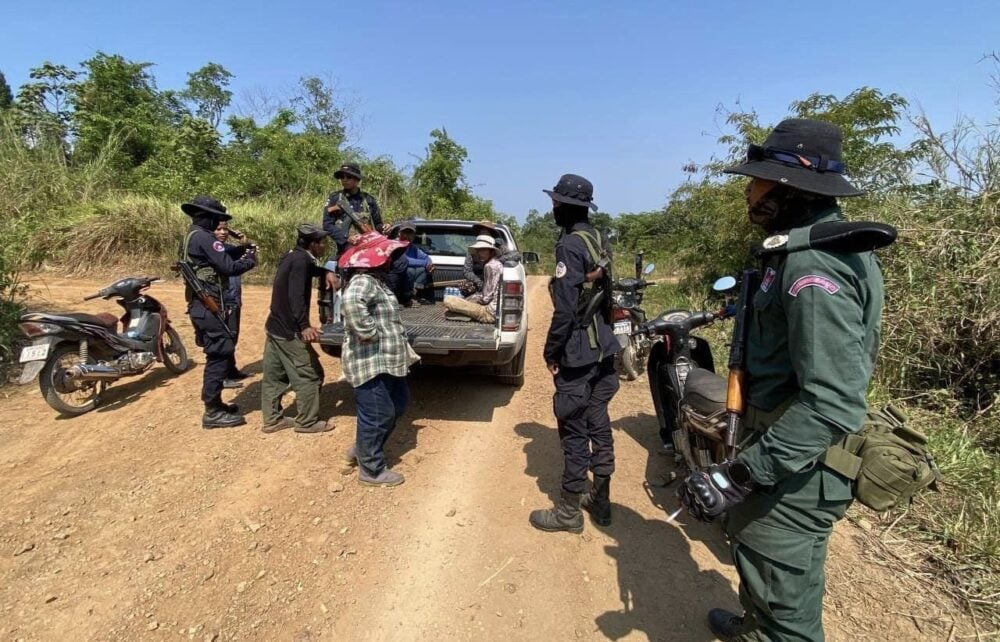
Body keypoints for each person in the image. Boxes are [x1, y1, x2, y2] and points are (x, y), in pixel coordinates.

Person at [677, 119, 882, 641]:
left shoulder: (815, 266)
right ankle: (753, 622)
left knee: (785, 615)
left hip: (795, 468)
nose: (748, 189)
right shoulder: (800, 250)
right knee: (761, 570)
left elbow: (833, 403)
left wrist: (738, 476)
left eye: (758, 180)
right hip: (783, 451)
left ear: (790, 186)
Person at [529, 174, 621, 533]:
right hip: (604, 348)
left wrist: (551, 350)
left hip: (579, 352)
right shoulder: (599, 238)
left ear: (566, 206)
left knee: (573, 429)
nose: (552, 207)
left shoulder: (569, 245)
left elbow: (565, 310)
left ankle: (568, 513)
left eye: (555, 203)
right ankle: (601, 502)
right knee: (599, 422)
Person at [338, 231, 420, 487]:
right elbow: (351, 303)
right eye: (388, 255)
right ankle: (371, 470)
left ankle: (362, 448)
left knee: (398, 404)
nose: (392, 260)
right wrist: (369, 332)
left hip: (388, 360)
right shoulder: (363, 281)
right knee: (377, 413)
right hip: (371, 361)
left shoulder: (377, 281)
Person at [178, 196, 257, 429]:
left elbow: (220, 254)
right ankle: (211, 409)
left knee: (219, 350)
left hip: (200, 305)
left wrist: (240, 248)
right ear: (208, 217)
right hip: (208, 305)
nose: (220, 223)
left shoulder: (192, 236)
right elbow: (228, 267)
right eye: (217, 218)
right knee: (220, 353)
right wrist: (250, 258)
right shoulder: (204, 237)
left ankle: (216, 403)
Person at [260, 224, 340, 434]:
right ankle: (307, 422)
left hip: (275, 326)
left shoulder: (293, 256)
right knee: (310, 374)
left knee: (273, 377)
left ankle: (272, 419)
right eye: (322, 243)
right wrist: (303, 326)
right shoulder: (301, 261)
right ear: (313, 244)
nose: (324, 247)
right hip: (290, 331)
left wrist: (325, 271)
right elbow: (295, 296)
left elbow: (308, 271)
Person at [212, 222, 252, 388]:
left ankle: (231, 370)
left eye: (225, 229)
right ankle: (222, 376)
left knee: (233, 335)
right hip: (224, 300)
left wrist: (240, 237)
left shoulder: (227, 248)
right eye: (218, 229)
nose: (223, 232)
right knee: (225, 338)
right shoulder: (215, 251)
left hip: (234, 299)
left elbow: (246, 248)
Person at [322, 162, 389, 261]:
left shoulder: (369, 200)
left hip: (369, 247)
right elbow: (327, 225)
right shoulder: (335, 198)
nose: (344, 179)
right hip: (345, 248)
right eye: (342, 177)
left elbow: (378, 224)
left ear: (357, 180)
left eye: (348, 177)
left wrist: (385, 228)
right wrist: (346, 238)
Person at [443, 235, 501, 323]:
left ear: (491, 251)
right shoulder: (496, 263)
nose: (480, 253)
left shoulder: (490, 266)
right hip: (495, 310)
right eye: (478, 250)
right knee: (460, 304)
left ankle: (467, 314)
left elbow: (487, 298)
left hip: (489, 312)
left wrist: (473, 300)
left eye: (484, 250)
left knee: (448, 300)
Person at [462, 220, 520, 290]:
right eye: (481, 232)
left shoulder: (499, 247)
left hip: (495, 283)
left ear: (491, 234)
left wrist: (498, 260)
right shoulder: (473, 250)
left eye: (486, 233)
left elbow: (516, 255)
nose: (483, 234)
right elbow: (467, 271)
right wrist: (479, 282)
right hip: (478, 282)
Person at [387, 221, 435, 306]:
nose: (407, 236)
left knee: (422, 270)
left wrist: (429, 265)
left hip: (408, 283)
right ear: (399, 233)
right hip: (395, 281)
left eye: (410, 233)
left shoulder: (413, 248)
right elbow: (406, 260)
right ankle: (403, 298)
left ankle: (413, 295)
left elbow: (426, 258)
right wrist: (424, 263)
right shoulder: (394, 245)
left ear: (413, 235)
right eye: (405, 232)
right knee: (410, 270)